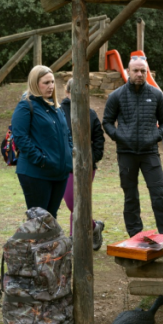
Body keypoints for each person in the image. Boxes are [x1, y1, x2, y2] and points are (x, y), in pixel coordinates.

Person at [102, 51, 163, 237]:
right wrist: (119, 136)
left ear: (146, 71)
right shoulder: (116, 96)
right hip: (126, 153)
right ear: (128, 71)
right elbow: (107, 122)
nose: (140, 74)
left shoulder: (156, 95)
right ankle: (135, 234)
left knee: (159, 194)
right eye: (136, 70)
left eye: (143, 71)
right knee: (130, 196)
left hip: (149, 152)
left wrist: (155, 136)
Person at [11, 65, 72, 219]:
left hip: (59, 173)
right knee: (39, 222)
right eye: (46, 82)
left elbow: (67, 135)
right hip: (36, 173)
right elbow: (21, 138)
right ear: (34, 83)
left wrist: (68, 156)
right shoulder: (26, 106)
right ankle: (35, 244)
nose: (51, 86)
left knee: (51, 219)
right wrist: (41, 160)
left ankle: (47, 244)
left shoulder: (57, 108)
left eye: (52, 82)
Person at [61, 78, 106, 250]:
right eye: (75, 91)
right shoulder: (59, 110)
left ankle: (75, 241)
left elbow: (99, 140)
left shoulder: (91, 113)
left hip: (86, 167)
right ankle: (95, 227)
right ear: (67, 93)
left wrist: (92, 159)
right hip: (65, 166)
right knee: (73, 203)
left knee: (79, 204)